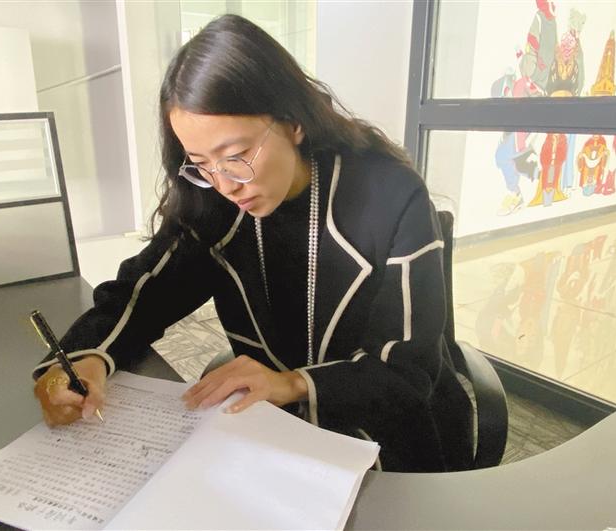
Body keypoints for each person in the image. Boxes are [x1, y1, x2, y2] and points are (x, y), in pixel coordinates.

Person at [33, 14, 474, 472]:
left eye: (236, 155)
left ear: (292, 122)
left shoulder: (391, 196)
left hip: (392, 442)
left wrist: (292, 383)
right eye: (201, 163)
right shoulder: (214, 204)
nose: (225, 184)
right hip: (276, 432)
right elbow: (141, 294)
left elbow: (407, 372)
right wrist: (87, 358)